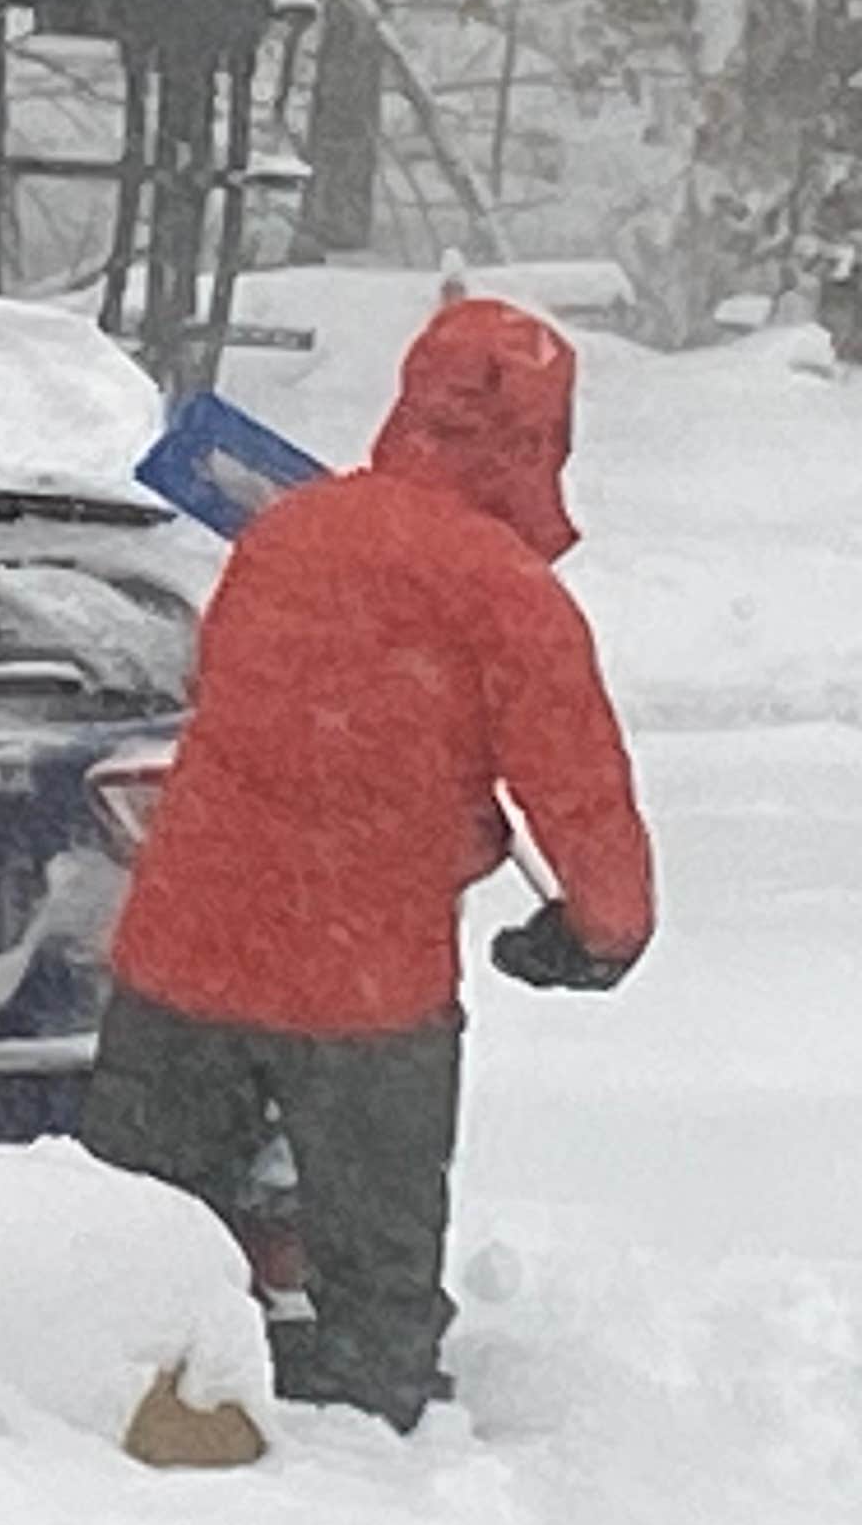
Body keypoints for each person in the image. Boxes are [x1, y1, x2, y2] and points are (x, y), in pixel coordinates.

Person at [84, 296, 653, 1430]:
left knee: (137, 1256)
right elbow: (577, 789)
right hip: (359, 993)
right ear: (542, 441)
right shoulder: (506, 593)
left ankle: (132, 1447)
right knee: (375, 1293)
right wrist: (602, 930)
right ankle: (367, 1468)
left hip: (182, 955)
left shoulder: (288, 533)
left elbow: (266, 716)